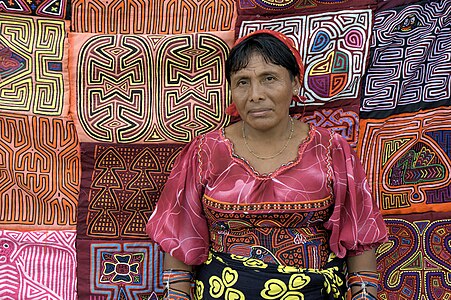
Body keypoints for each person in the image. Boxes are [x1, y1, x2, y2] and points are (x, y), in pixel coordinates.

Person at [146, 29, 388, 300]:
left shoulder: (330, 149)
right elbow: (179, 236)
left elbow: (359, 235)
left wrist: (364, 295)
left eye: (269, 78)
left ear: (295, 83)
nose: (255, 94)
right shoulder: (205, 151)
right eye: (242, 82)